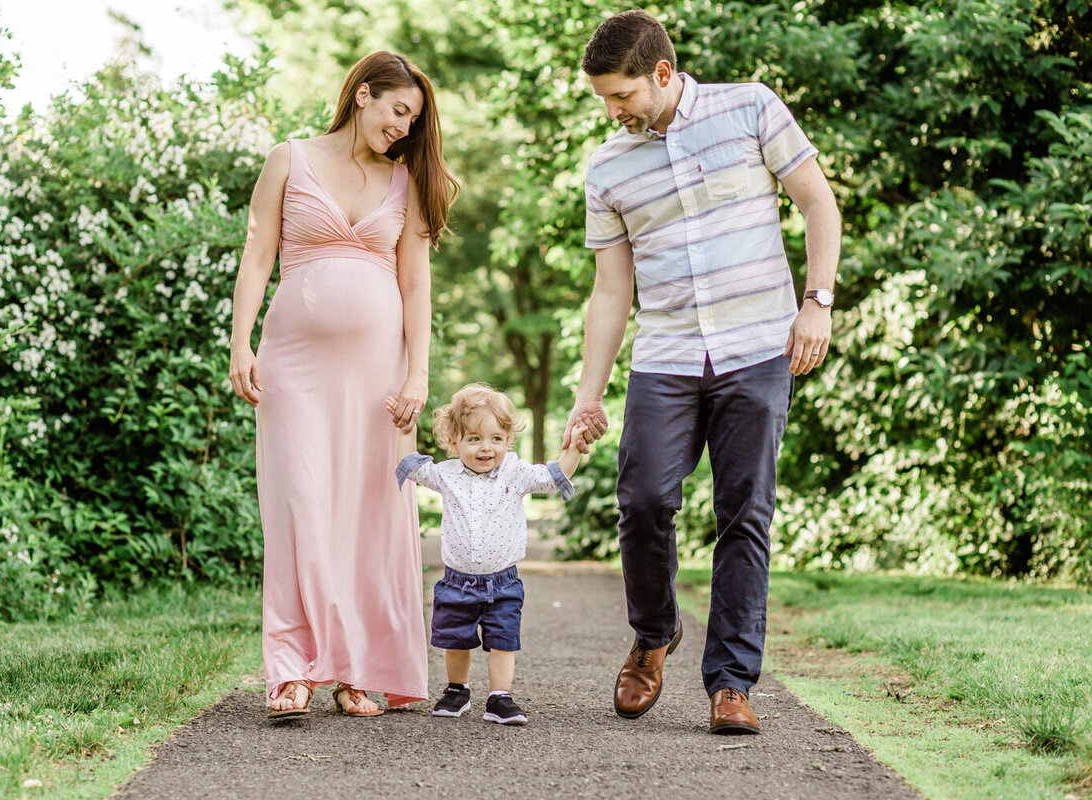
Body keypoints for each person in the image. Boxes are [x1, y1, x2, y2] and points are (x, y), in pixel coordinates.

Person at [564, 10, 841, 734]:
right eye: (602, 100)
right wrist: (587, 395)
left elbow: (818, 202)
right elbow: (611, 290)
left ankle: (730, 683)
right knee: (645, 500)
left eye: (620, 96)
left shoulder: (751, 107)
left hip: (757, 347)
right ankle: (655, 633)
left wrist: (817, 302)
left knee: (745, 512)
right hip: (667, 355)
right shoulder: (606, 166)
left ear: (661, 74)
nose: (612, 111)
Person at [228, 51, 458, 719]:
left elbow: (416, 284)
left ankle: (357, 668)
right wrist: (239, 341)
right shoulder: (289, 158)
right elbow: (256, 252)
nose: (404, 127)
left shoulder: (404, 181)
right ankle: (292, 670)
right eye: (397, 111)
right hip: (294, 363)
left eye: (414, 119)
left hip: (379, 375)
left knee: (368, 514)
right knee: (300, 505)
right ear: (362, 94)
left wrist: (417, 374)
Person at [390, 383, 587, 725]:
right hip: (456, 582)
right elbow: (414, 468)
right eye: (475, 439)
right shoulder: (448, 474)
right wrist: (406, 430)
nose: (486, 448)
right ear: (454, 442)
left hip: (504, 582)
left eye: (496, 439)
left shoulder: (516, 471)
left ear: (508, 440)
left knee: (503, 641)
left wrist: (576, 448)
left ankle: (500, 696)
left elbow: (554, 477)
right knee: (456, 639)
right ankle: (457, 690)